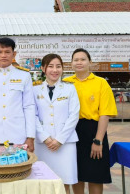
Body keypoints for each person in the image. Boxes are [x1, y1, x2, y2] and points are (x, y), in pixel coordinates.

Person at [64, 48, 117, 194]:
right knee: (76, 174)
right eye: (76, 60)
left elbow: (105, 114)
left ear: (90, 62)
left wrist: (98, 140)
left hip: (94, 131)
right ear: (71, 64)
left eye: (83, 59)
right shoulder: (65, 83)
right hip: (71, 131)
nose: (79, 62)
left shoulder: (101, 83)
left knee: (95, 175)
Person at [33, 54, 80, 194]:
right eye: (50, 66)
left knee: (64, 181)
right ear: (43, 68)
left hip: (65, 143)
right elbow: (32, 116)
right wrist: (45, 137)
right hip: (43, 144)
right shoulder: (35, 89)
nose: (55, 70)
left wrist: (59, 139)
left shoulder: (70, 89)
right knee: (42, 182)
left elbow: (74, 115)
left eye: (58, 66)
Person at [0, 37, 36, 151]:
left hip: (17, 134)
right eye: (0, 52)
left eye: (7, 52)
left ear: (14, 54)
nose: (3, 55)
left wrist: (30, 136)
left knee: (17, 167)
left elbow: (29, 106)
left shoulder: (24, 76)